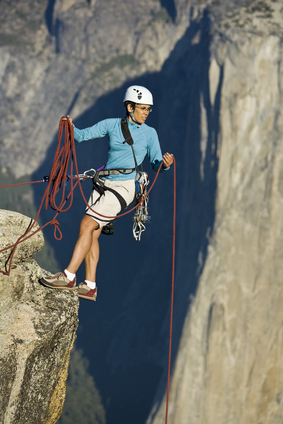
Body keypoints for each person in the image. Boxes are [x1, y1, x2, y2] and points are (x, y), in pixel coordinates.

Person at [40, 85, 174, 301]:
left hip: (125, 187)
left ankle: (68, 276)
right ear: (129, 107)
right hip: (103, 183)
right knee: (93, 231)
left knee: (87, 224)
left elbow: (156, 163)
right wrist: (70, 127)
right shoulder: (111, 125)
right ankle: (90, 285)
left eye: (149, 109)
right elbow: (82, 136)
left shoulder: (150, 133)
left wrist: (165, 164)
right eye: (142, 108)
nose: (146, 113)